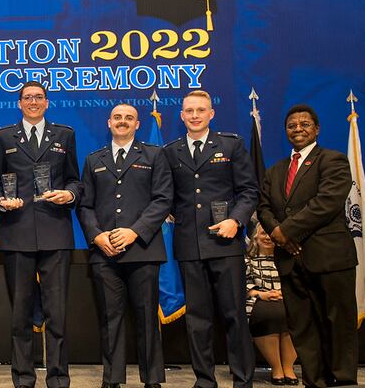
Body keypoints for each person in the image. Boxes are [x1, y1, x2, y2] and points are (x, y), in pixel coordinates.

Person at [257, 104, 357, 388]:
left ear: (317, 129)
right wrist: (277, 235)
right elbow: (264, 207)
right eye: (292, 125)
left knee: (338, 325)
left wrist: (285, 232)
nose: (298, 129)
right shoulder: (275, 171)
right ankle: (315, 381)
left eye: (304, 124)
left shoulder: (333, 160)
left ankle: (343, 380)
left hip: (329, 258)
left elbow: (326, 203)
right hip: (290, 261)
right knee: (303, 326)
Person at [163, 89, 259, 388]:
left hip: (226, 244)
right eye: (189, 111)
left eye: (200, 110)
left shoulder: (231, 145)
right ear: (181, 115)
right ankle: (204, 380)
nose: (194, 115)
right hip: (189, 246)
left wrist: (236, 220)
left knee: (234, 316)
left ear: (211, 113)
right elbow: (165, 195)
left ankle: (243, 380)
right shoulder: (171, 151)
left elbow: (249, 191)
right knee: (198, 319)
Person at [0, 81, 81, 388]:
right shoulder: (3, 136)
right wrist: (1, 202)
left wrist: (68, 195)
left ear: (46, 103)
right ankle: (23, 378)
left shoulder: (64, 135)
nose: (33, 102)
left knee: (57, 313)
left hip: (55, 232)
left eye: (38, 97)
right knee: (20, 314)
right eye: (27, 98)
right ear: (19, 103)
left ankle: (58, 378)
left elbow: (74, 180)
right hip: (17, 232)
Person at [77, 104, 172, 388]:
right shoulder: (94, 159)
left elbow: (163, 199)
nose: (122, 122)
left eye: (128, 118)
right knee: (110, 318)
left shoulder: (155, 155)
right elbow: (85, 205)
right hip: (104, 253)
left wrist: (134, 232)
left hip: (143, 250)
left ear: (137, 124)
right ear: (109, 123)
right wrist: (96, 236)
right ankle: (112, 379)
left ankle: (152, 379)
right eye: (117, 117)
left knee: (146, 319)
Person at [245, 221, 298, 385]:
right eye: (263, 234)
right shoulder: (248, 261)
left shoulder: (288, 261)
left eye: (270, 234)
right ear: (255, 237)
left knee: (291, 312)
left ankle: (288, 367)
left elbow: (297, 284)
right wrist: (262, 294)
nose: (267, 237)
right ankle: (277, 368)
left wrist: (285, 293)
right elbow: (243, 287)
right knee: (270, 312)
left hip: (285, 299)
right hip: (258, 301)